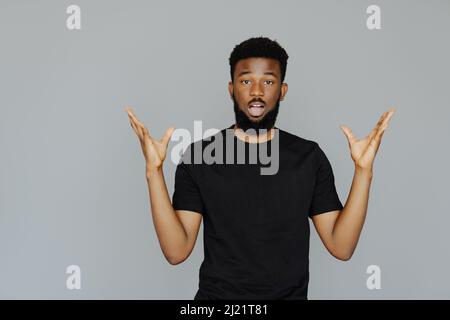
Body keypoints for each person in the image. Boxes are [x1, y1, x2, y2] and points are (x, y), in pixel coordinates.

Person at [125, 36, 395, 300]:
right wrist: (153, 172)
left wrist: (363, 171)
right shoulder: (200, 156)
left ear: (282, 90)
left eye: (268, 81)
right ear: (232, 89)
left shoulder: (308, 157)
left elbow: (342, 246)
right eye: (246, 81)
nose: (257, 91)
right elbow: (176, 251)